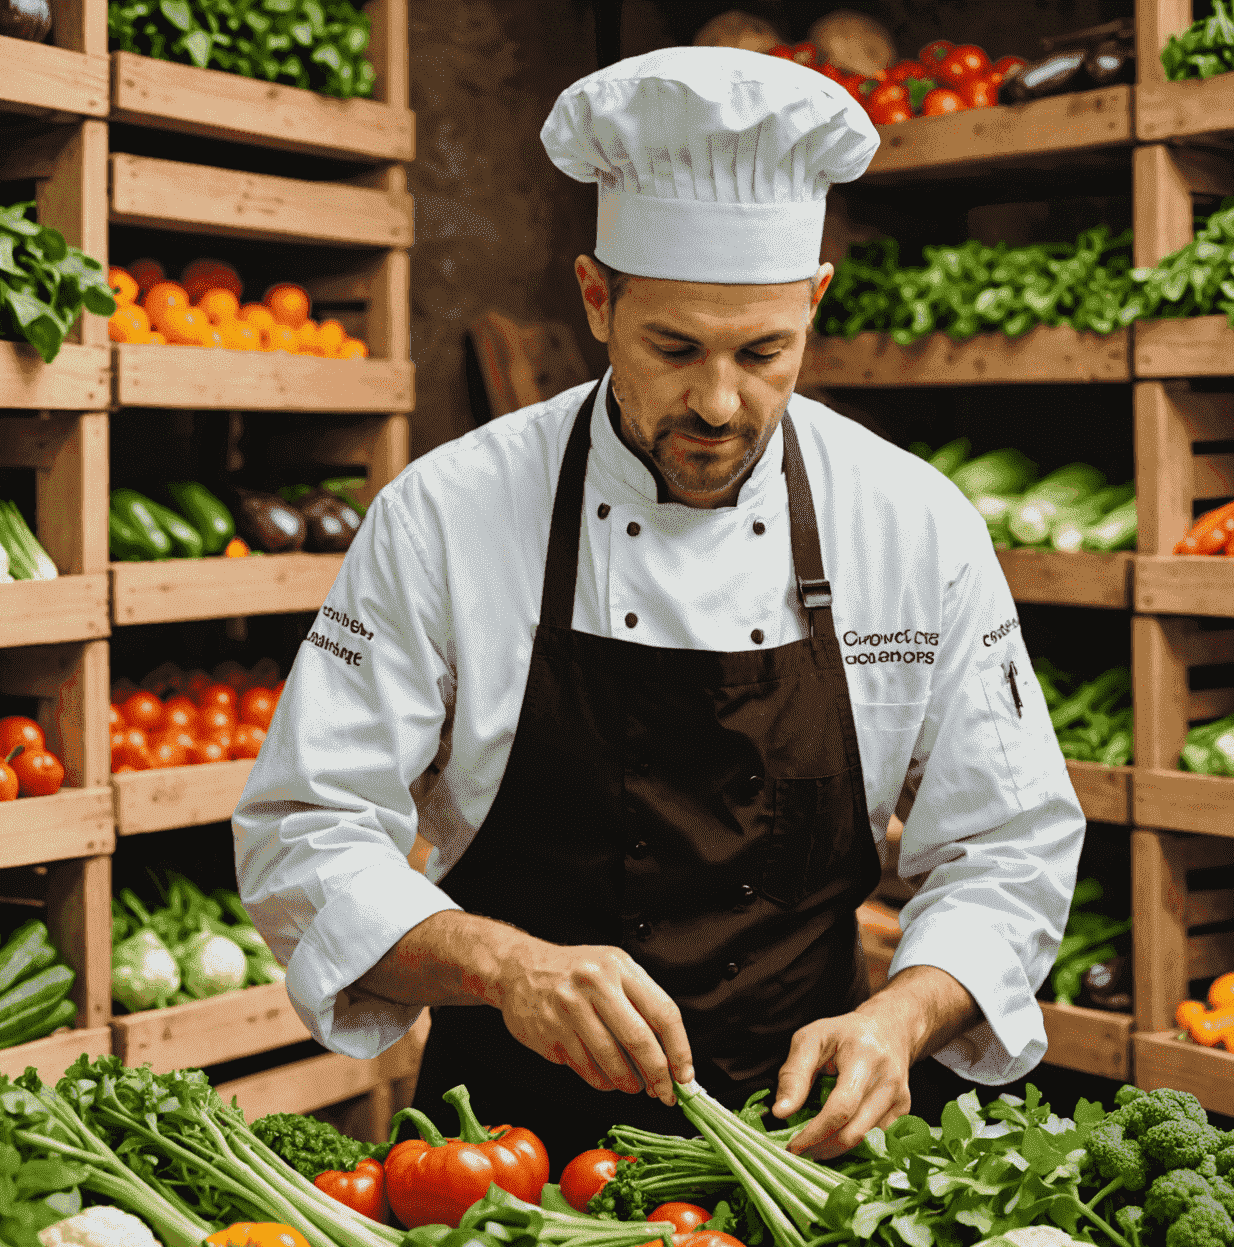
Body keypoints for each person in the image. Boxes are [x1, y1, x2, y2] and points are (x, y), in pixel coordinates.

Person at [234, 47, 1084, 1168]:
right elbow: (306, 834)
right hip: (499, 1164)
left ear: (815, 305)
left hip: (815, 1166)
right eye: (673, 348)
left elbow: (1009, 845)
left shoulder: (912, 525)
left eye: (764, 352)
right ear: (597, 297)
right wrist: (505, 966)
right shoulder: (448, 514)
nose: (719, 404)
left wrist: (901, 1018)